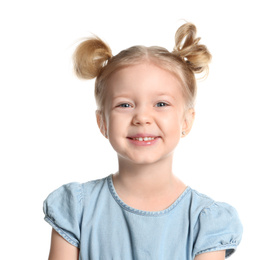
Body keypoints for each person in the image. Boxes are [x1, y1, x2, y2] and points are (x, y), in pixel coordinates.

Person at [43, 22, 243, 260]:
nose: (142, 118)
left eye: (161, 104)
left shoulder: (205, 221)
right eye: (125, 105)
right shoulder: (76, 209)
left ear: (186, 121)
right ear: (102, 122)